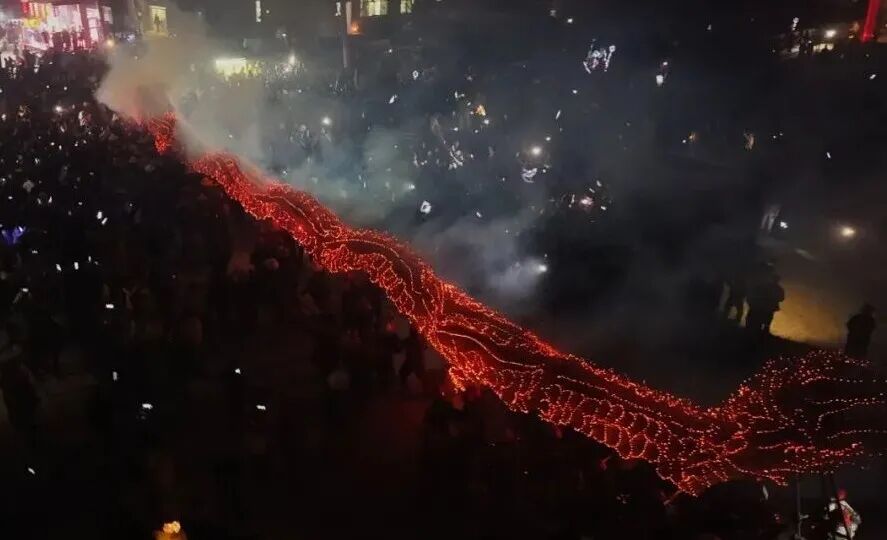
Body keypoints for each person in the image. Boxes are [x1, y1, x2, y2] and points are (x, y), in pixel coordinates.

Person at [746, 271, 784, 336]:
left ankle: (761, 331)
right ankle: (763, 331)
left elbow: (781, 298)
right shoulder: (778, 289)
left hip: (766, 305)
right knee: (766, 318)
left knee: (764, 318)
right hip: (768, 306)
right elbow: (781, 298)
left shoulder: (769, 286)